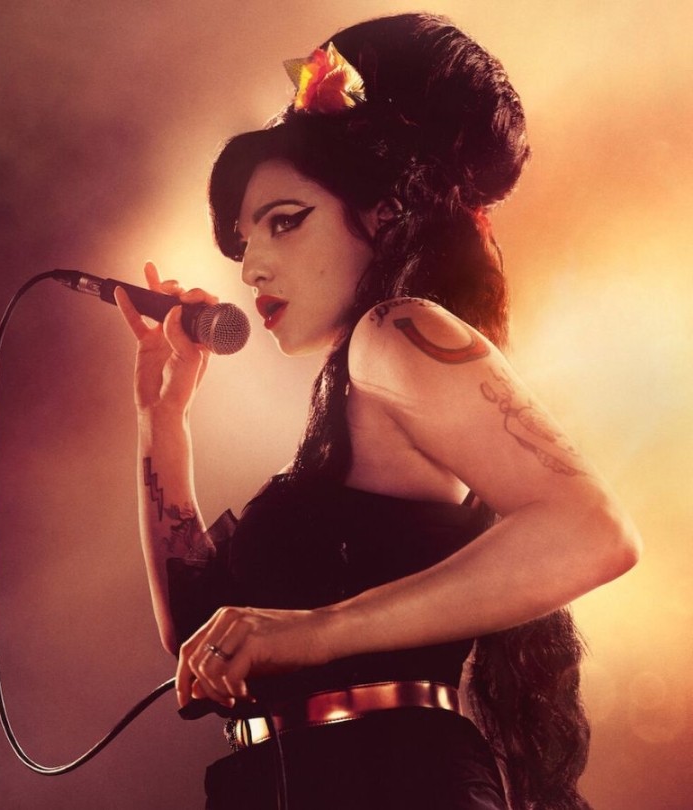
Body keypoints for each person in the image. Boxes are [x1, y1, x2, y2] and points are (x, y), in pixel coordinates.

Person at [113, 14, 639, 810]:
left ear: (385, 213)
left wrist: (312, 631)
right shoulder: (354, 395)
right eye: (243, 238)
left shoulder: (394, 334)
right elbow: (200, 640)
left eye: (284, 221)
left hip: (389, 781)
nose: (251, 263)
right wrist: (162, 419)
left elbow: (593, 530)